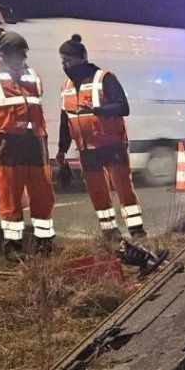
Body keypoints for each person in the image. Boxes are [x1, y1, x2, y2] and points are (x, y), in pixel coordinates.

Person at [0, 31, 55, 262]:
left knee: (43, 194)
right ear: (2, 54)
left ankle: (45, 243)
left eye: (24, 54)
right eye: (18, 55)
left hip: (35, 142)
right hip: (6, 144)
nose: (22, 59)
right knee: (9, 196)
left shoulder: (31, 73)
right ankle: (13, 247)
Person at [55, 34, 144, 241]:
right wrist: (61, 150)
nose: (65, 64)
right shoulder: (65, 87)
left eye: (68, 60)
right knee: (98, 194)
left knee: (124, 189)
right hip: (86, 149)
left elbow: (123, 107)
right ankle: (111, 234)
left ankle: (137, 231)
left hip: (112, 145)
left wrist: (97, 110)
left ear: (82, 59)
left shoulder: (105, 78)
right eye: (62, 60)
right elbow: (64, 121)